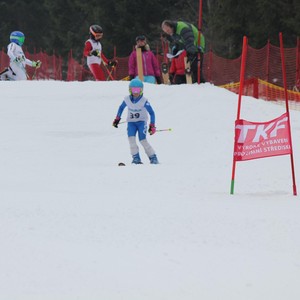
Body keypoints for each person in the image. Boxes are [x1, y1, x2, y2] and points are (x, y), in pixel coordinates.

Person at [112, 78, 159, 164]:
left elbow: (152, 113)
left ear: (141, 90)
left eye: (138, 90)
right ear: (130, 89)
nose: (136, 92)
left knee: (143, 140)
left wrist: (152, 125)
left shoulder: (144, 100)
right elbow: (121, 107)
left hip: (141, 123)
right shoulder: (127, 99)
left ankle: (153, 157)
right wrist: (117, 118)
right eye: (133, 89)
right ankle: (136, 158)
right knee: (131, 139)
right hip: (131, 123)